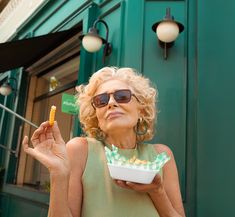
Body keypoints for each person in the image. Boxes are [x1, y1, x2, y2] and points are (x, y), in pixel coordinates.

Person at [23, 67, 185, 217]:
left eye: (122, 96)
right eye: (101, 100)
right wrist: (58, 174)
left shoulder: (161, 155)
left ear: (141, 109)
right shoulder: (80, 150)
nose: (111, 103)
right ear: (96, 115)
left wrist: (157, 191)